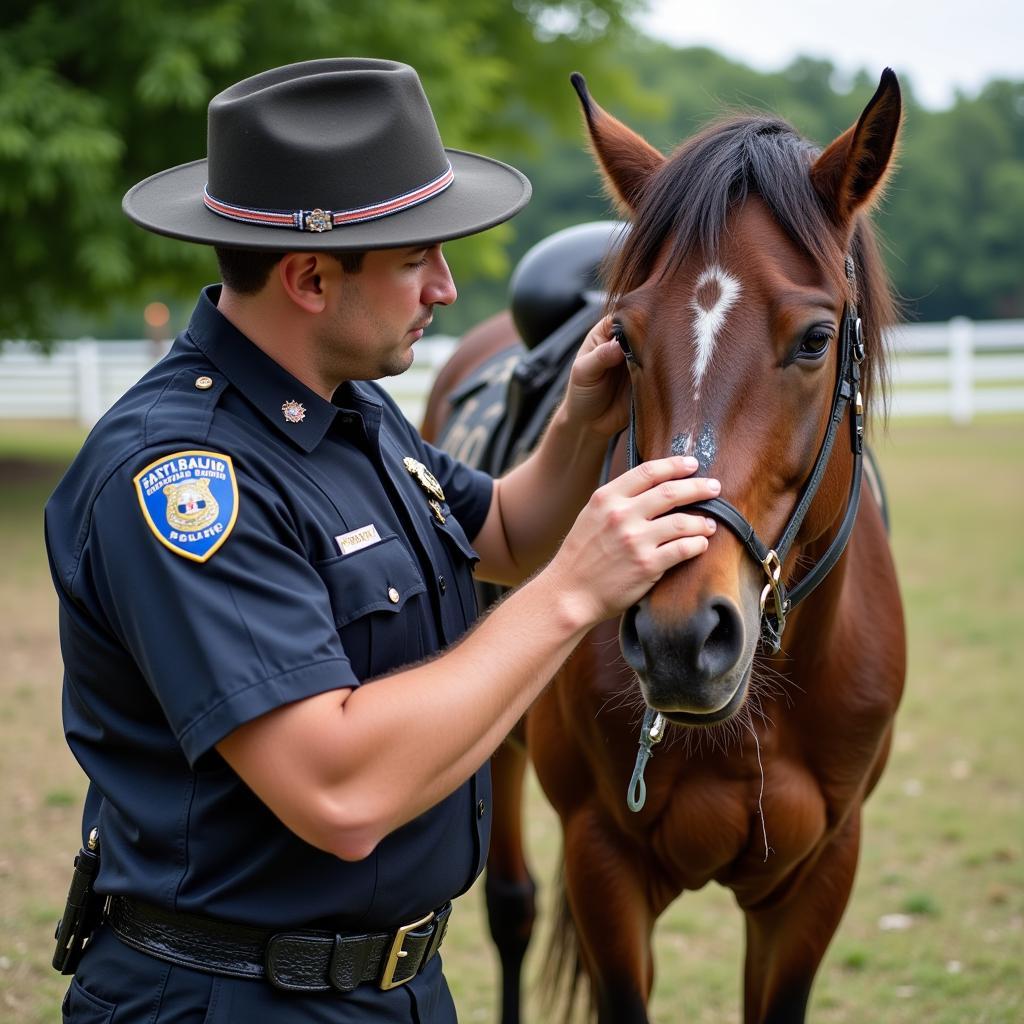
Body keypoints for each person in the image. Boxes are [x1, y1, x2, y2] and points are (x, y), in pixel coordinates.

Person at [45, 58, 719, 1023]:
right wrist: (576, 592)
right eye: (417, 260)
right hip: (232, 998)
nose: (447, 288)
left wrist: (575, 426)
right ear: (311, 276)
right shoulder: (186, 477)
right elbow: (339, 791)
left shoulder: (348, 409)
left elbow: (503, 532)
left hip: (393, 988)